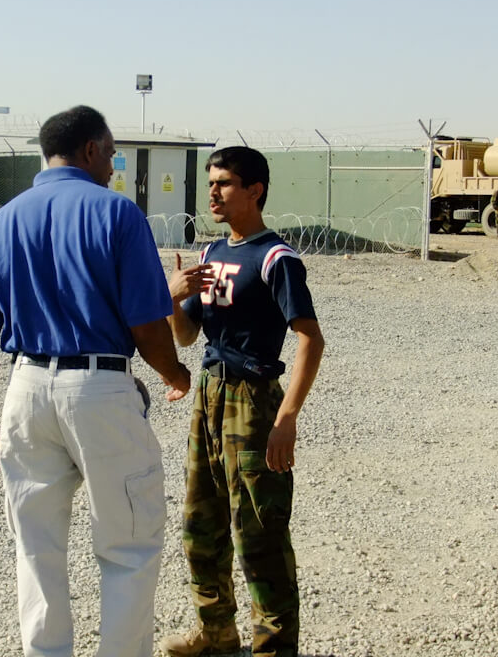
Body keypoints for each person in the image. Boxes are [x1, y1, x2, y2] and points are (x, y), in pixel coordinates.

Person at [0, 105, 191, 657]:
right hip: (99, 390)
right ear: (90, 149)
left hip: (25, 390)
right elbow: (144, 324)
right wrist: (176, 373)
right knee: (128, 545)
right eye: (111, 152)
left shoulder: (2, 222)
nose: (113, 164)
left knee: (35, 548)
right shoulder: (117, 214)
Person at [161, 146, 325, 657]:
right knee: (201, 524)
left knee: (259, 533)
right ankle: (217, 634)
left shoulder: (276, 258)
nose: (213, 191)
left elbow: (310, 339)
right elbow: (188, 336)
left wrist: (287, 418)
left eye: (225, 182)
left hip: (253, 400)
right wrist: (171, 298)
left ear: (254, 190)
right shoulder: (211, 255)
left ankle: (274, 648)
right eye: (211, 182)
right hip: (209, 394)